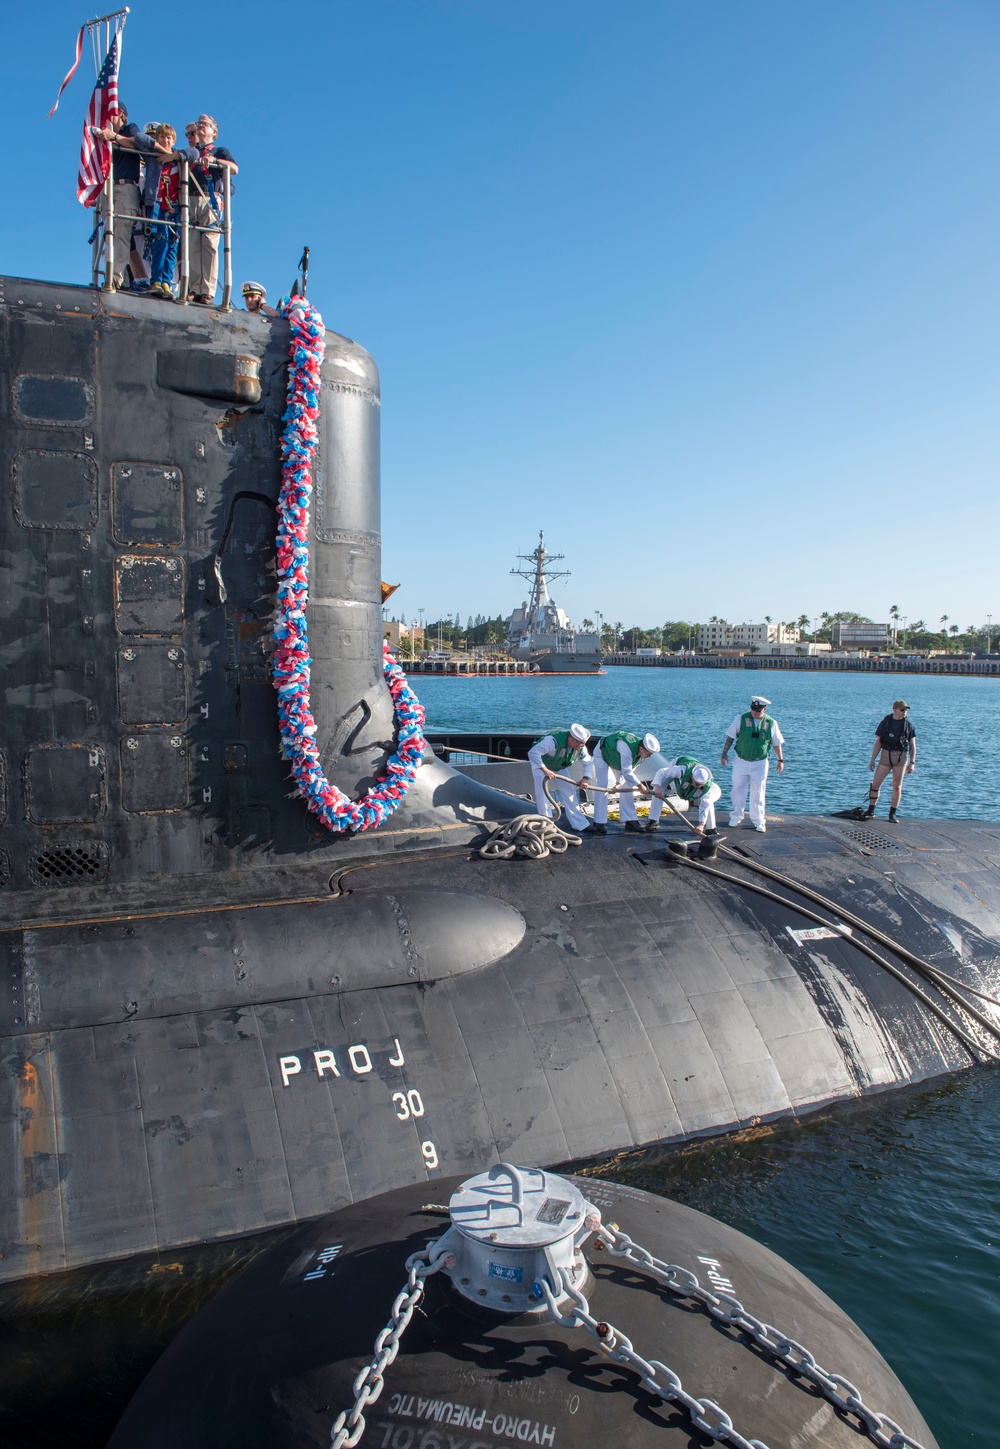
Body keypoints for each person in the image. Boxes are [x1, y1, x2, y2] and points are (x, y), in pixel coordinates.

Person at [92, 104, 157, 290]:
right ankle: (119, 278)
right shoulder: (105, 136)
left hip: (125, 187)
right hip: (109, 188)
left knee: (121, 234)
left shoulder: (130, 129)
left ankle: (114, 278)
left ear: (120, 114)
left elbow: (140, 143)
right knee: (111, 234)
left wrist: (115, 137)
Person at [188, 114, 238, 304]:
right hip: (191, 198)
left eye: (205, 124)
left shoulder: (220, 151)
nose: (200, 127)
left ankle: (207, 290)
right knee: (192, 244)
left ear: (213, 131)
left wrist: (215, 161)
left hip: (211, 199)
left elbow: (234, 168)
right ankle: (194, 287)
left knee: (209, 244)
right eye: (199, 124)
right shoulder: (191, 152)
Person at [722, 695, 785, 832]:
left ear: (764, 709)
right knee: (738, 789)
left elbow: (776, 743)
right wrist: (724, 754)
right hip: (741, 761)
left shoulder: (771, 723)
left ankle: (759, 821)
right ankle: (736, 816)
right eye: (753, 709)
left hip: (760, 762)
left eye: (758, 710)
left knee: (758, 792)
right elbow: (730, 737)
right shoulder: (741, 719)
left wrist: (780, 760)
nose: (755, 712)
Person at [528, 724, 595, 834]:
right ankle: (547, 824)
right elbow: (533, 753)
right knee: (542, 793)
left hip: (559, 765)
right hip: (542, 764)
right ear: (572, 739)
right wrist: (545, 770)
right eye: (580, 743)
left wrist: (585, 778)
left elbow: (588, 762)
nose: (582, 746)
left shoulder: (581, 748)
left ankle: (579, 824)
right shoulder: (552, 741)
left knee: (569, 791)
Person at [592, 731, 660, 834]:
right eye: (649, 754)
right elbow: (627, 772)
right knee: (602, 785)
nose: (650, 757)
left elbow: (629, 771)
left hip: (617, 760)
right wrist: (640, 786)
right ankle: (599, 821)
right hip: (603, 754)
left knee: (628, 785)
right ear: (641, 749)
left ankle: (630, 820)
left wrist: (619, 783)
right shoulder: (626, 746)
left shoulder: (641, 756)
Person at [865, 700, 916, 822]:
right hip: (885, 756)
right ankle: (871, 810)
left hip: (900, 757)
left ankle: (892, 813)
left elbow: (913, 745)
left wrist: (912, 762)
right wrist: (872, 759)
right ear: (895, 709)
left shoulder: (908, 725)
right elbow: (878, 742)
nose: (905, 712)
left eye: (906, 710)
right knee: (876, 784)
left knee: (897, 786)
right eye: (902, 710)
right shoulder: (886, 722)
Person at [644, 757, 722, 835]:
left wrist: (701, 824)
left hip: (694, 779)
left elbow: (705, 804)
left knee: (708, 799)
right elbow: (661, 772)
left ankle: (711, 828)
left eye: (701, 785)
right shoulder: (681, 770)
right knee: (660, 787)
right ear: (692, 777)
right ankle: (653, 821)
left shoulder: (707, 785)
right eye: (697, 784)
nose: (699, 787)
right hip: (677, 763)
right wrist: (657, 788)